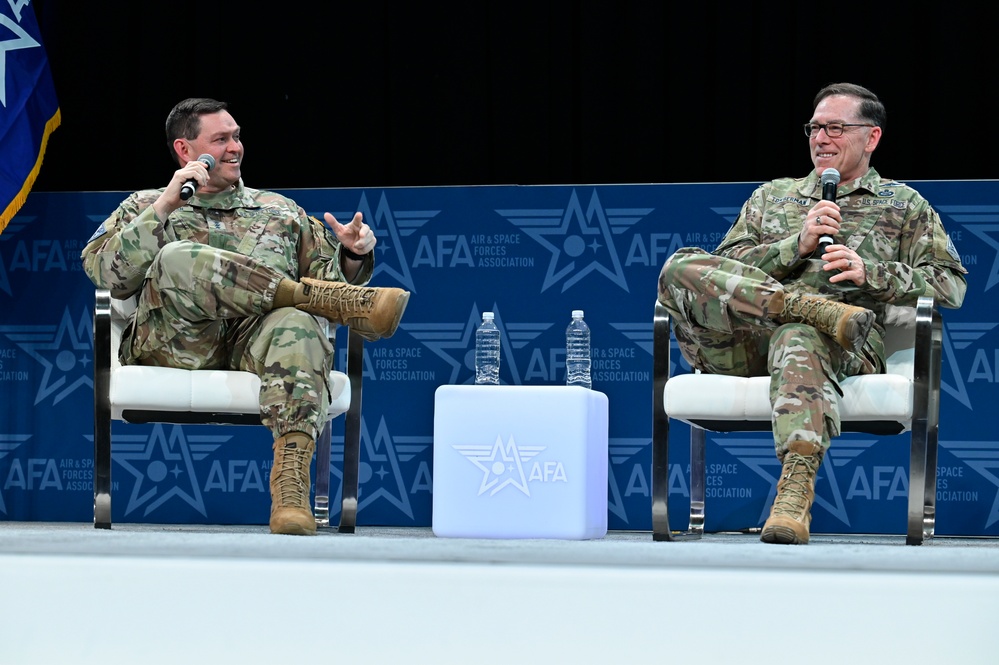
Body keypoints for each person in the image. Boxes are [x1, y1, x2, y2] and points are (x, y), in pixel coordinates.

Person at [81, 98, 411, 536]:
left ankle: (291, 490)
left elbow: (330, 282)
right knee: (179, 258)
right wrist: (162, 207)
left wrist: (351, 255)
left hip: (251, 346)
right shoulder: (146, 205)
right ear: (185, 149)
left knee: (297, 323)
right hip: (175, 342)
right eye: (220, 139)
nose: (235, 147)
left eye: (237, 136)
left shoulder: (280, 211)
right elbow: (104, 274)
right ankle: (299, 295)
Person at [657, 82, 967, 544]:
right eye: (815, 128)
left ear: (872, 137)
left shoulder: (904, 206)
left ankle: (794, 496)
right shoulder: (772, 197)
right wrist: (794, 245)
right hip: (745, 339)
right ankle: (803, 306)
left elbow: (951, 282)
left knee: (799, 335)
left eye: (836, 128)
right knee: (678, 265)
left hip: (841, 343)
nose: (820, 138)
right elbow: (721, 271)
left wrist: (872, 273)